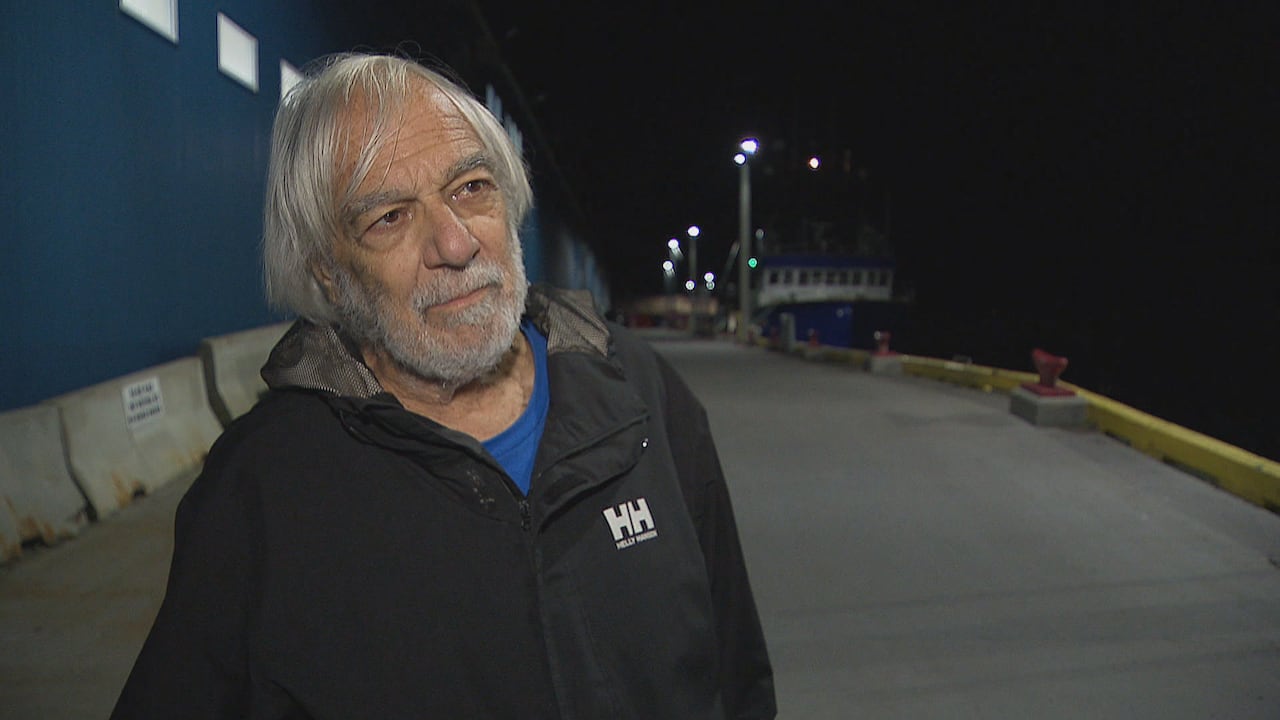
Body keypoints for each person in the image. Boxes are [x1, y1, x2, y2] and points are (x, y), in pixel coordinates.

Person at [111, 53, 775, 719]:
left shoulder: (640, 393)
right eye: (389, 217)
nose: (455, 245)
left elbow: (738, 678)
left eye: (471, 187)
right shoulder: (263, 489)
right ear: (329, 274)